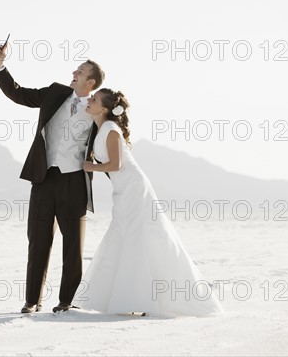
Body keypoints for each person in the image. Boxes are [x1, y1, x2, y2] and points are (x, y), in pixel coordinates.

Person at [80, 88, 225, 317]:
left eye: (94, 99)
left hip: (134, 189)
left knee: (135, 237)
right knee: (124, 235)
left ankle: (134, 300)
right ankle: (123, 298)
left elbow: (116, 165)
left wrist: (91, 167)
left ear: (105, 109)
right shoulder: (100, 128)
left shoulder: (110, 130)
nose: (89, 100)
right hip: (123, 190)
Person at [0, 42, 105, 313]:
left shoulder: (98, 108)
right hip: (43, 178)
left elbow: (109, 141)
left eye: (80, 70)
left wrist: (104, 168)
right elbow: (20, 95)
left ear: (90, 81)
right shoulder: (55, 93)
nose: (73, 72)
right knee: (38, 241)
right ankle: (32, 300)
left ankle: (66, 301)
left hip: (74, 181)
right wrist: (0, 67)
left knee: (73, 247)